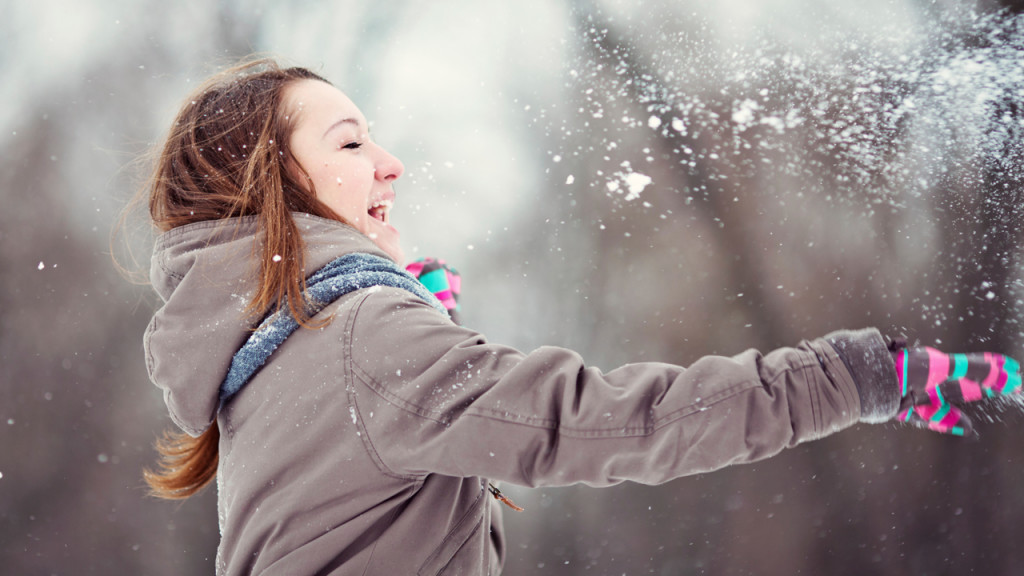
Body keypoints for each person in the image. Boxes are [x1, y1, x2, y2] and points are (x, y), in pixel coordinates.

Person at [137, 57, 1022, 576]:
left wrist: (431, 341)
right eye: (351, 141)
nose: (390, 162)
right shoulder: (363, 342)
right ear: (275, 179)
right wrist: (862, 377)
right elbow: (611, 423)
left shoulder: (266, 358)